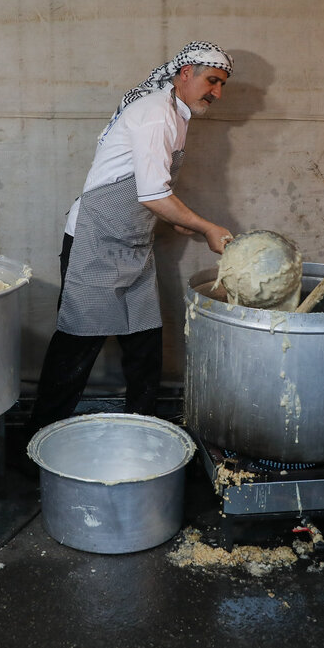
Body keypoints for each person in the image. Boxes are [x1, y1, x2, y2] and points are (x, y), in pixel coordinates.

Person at [28, 42, 235, 434]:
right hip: (95, 240)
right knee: (76, 345)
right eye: (212, 81)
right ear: (185, 73)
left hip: (131, 242)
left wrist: (180, 220)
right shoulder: (157, 114)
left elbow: (152, 185)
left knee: (144, 344)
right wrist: (207, 227)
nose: (217, 93)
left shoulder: (176, 114)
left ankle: (143, 431)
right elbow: (153, 194)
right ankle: (39, 438)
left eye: (222, 84)